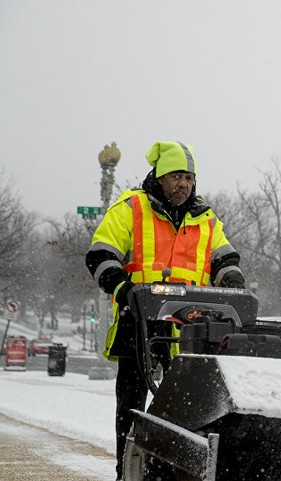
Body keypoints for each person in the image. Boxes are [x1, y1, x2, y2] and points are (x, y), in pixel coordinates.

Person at [85, 140, 245, 480]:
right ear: (159, 177)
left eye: (188, 177)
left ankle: (176, 470)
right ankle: (126, 469)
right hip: (139, 319)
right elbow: (101, 254)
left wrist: (232, 282)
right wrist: (122, 288)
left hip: (190, 327)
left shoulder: (206, 219)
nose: (183, 184)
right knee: (131, 402)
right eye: (175, 176)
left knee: (190, 406)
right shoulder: (131, 207)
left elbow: (226, 260)